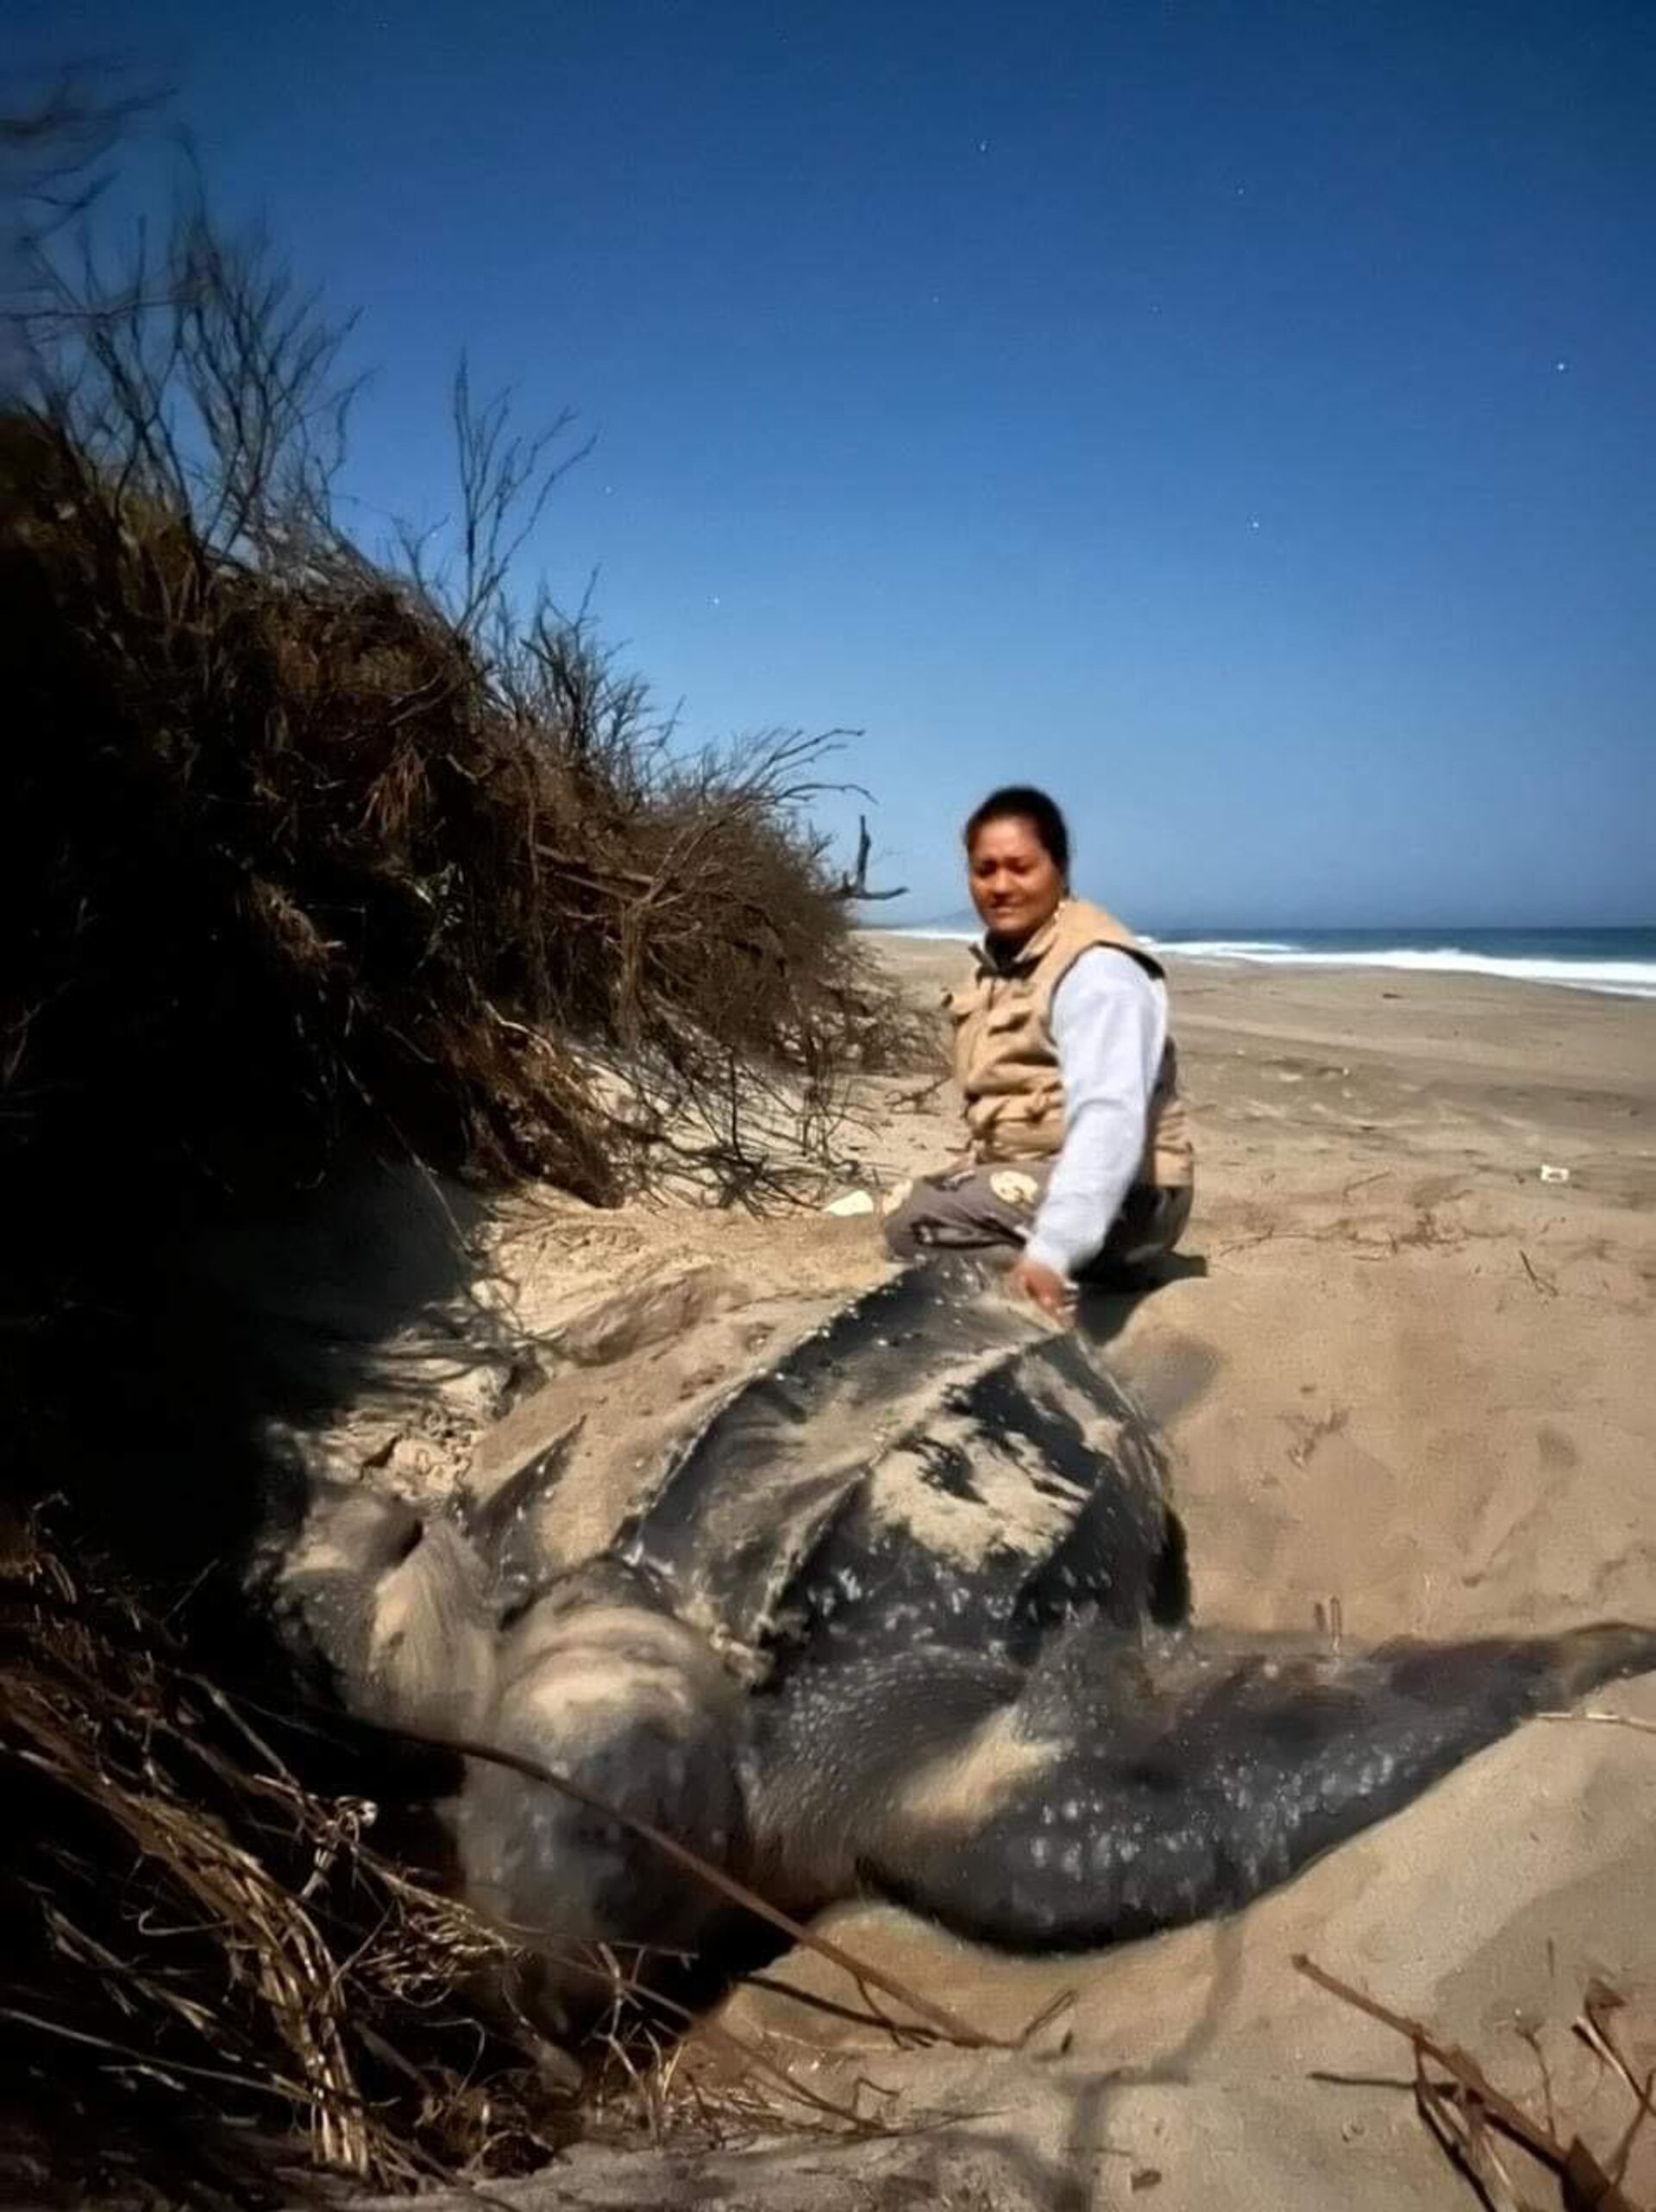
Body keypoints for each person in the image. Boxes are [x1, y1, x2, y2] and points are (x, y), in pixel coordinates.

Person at [881, 786, 1194, 1317]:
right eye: (985, 870)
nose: (1001, 886)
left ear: (1061, 867)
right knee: (912, 1201)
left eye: (1020, 867)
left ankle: (1063, 1278)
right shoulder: (1003, 961)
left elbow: (1109, 1119)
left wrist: (1053, 1250)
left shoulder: (1097, 971)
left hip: (1131, 1199)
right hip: (1048, 1175)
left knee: (910, 1216)